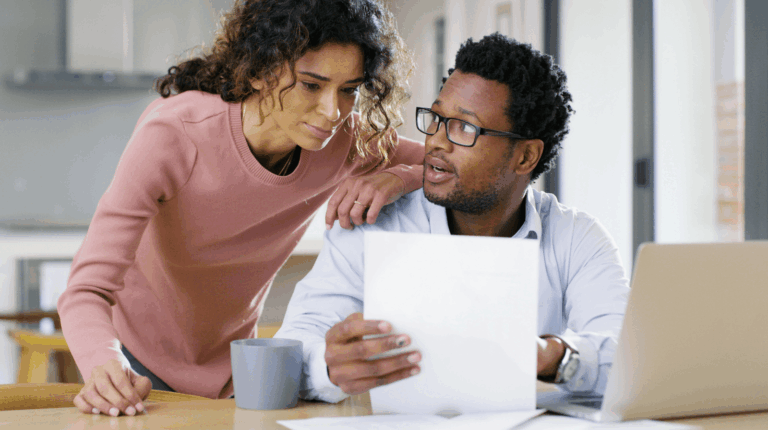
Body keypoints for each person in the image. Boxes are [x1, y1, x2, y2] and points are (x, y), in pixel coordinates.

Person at [57, 0, 425, 417]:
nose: (332, 111)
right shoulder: (174, 134)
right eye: (310, 84)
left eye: (349, 90)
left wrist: (398, 177)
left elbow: (448, 164)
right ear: (258, 70)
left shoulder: (346, 141)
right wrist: (103, 364)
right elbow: (86, 289)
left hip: (239, 368)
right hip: (136, 368)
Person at [274, 33, 630, 403]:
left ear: (525, 157)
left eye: (465, 128)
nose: (436, 142)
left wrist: (551, 355)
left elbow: (627, 354)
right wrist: (329, 367)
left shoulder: (578, 237)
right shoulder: (373, 224)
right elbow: (292, 347)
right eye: (437, 119)